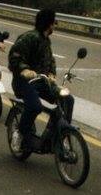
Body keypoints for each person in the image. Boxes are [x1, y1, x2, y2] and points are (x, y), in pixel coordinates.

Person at [8, 8, 73, 153]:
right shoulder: (29, 37)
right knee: (35, 107)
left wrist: (51, 73)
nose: (55, 26)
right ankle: (19, 133)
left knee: (67, 99)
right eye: (54, 23)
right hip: (24, 83)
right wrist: (24, 70)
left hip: (42, 82)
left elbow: (50, 61)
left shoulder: (45, 41)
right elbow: (14, 55)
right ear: (48, 24)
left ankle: (62, 135)